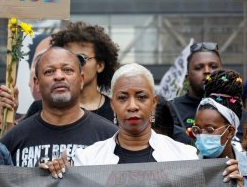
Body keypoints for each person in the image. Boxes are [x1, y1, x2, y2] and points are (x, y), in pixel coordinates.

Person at [43, 64, 242, 185]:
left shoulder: (186, 156)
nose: (132, 106)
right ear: (112, 104)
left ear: (154, 103)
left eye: (141, 97)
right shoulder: (86, 160)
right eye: (122, 98)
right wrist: (53, 174)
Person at [0, 47, 118, 170]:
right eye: (49, 72)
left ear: (81, 80)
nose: (59, 76)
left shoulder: (110, 136)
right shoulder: (13, 139)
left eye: (67, 70)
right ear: (37, 83)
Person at [0, 21, 120, 122]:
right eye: (67, 58)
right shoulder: (40, 107)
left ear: (100, 65)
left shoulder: (116, 109)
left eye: (81, 58)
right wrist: (8, 115)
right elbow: (13, 147)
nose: (73, 65)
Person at [193, 68, 246, 186]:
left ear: (230, 131)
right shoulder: (186, 169)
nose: (201, 136)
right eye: (197, 130)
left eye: (210, 130)